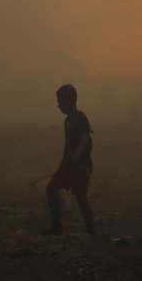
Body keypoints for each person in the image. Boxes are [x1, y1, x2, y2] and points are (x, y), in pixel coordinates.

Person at [44, 84, 95, 235]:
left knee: (81, 199)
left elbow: (85, 137)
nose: (58, 105)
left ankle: (91, 232)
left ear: (69, 101)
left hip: (80, 166)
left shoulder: (80, 119)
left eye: (60, 101)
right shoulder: (68, 120)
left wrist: (77, 155)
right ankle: (56, 226)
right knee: (51, 189)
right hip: (67, 165)